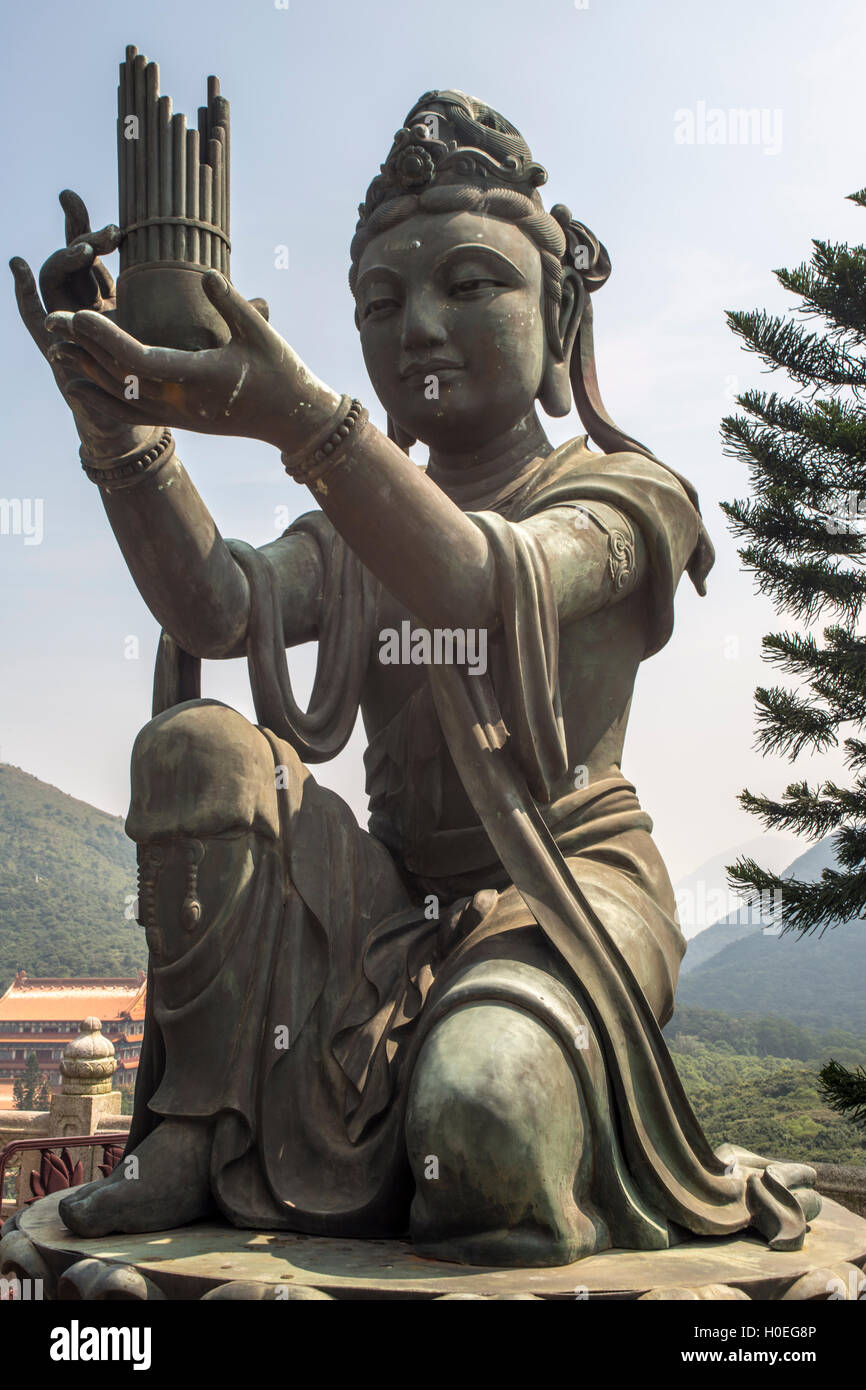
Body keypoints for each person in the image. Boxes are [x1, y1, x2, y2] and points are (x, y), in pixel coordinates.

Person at [11, 91, 819, 1266]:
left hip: (561, 888)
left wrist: (303, 421)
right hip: (385, 899)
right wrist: (121, 438)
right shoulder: (348, 525)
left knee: (482, 1121)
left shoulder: (623, 497)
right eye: (381, 303)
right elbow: (218, 605)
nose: (421, 327)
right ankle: (197, 1129)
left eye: (471, 284)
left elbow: (482, 586)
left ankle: (514, 1114)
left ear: (556, 319)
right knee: (197, 744)